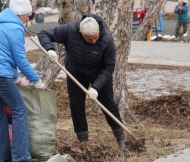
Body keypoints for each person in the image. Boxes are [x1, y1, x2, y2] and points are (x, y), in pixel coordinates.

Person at [37, 14, 127, 151]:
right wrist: (50, 49)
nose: (94, 41)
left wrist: (96, 88)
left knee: (108, 104)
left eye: (96, 37)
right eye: (89, 39)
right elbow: (44, 34)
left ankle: (121, 140)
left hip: (100, 73)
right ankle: (83, 142)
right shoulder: (70, 30)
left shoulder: (107, 40)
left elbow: (109, 67)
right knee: (76, 105)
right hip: (76, 72)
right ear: (80, 33)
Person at [0, 0, 44, 162]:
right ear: (20, 13)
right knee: (19, 110)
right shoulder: (15, 28)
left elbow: (6, 56)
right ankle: (21, 156)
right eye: (28, 14)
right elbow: (20, 59)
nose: (29, 17)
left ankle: (0, 155)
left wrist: (15, 77)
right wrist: (35, 79)